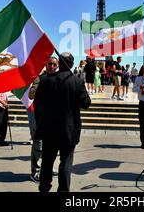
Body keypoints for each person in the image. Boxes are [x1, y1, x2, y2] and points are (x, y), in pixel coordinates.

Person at [34, 52, 91, 192]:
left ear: (59, 63)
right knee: (66, 163)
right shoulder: (77, 82)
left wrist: (40, 123)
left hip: (49, 129)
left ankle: (44, 188)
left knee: (47, 163)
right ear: (71, 64)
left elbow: (37, 105)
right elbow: (86, 104)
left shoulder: (46, 80)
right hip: (69, 130)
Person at [27, 56, 59, 183]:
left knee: (51, 146)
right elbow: (30, 95)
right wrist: (35, 88)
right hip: (39, 118)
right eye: (50, 64)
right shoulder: (39, 79)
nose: (52, 66)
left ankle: (48, 168)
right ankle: (36, 171)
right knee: (38, 145)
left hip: (53, 119)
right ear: (46, 65)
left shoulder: (59, 79)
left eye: (54, 65)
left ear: (57, 66)